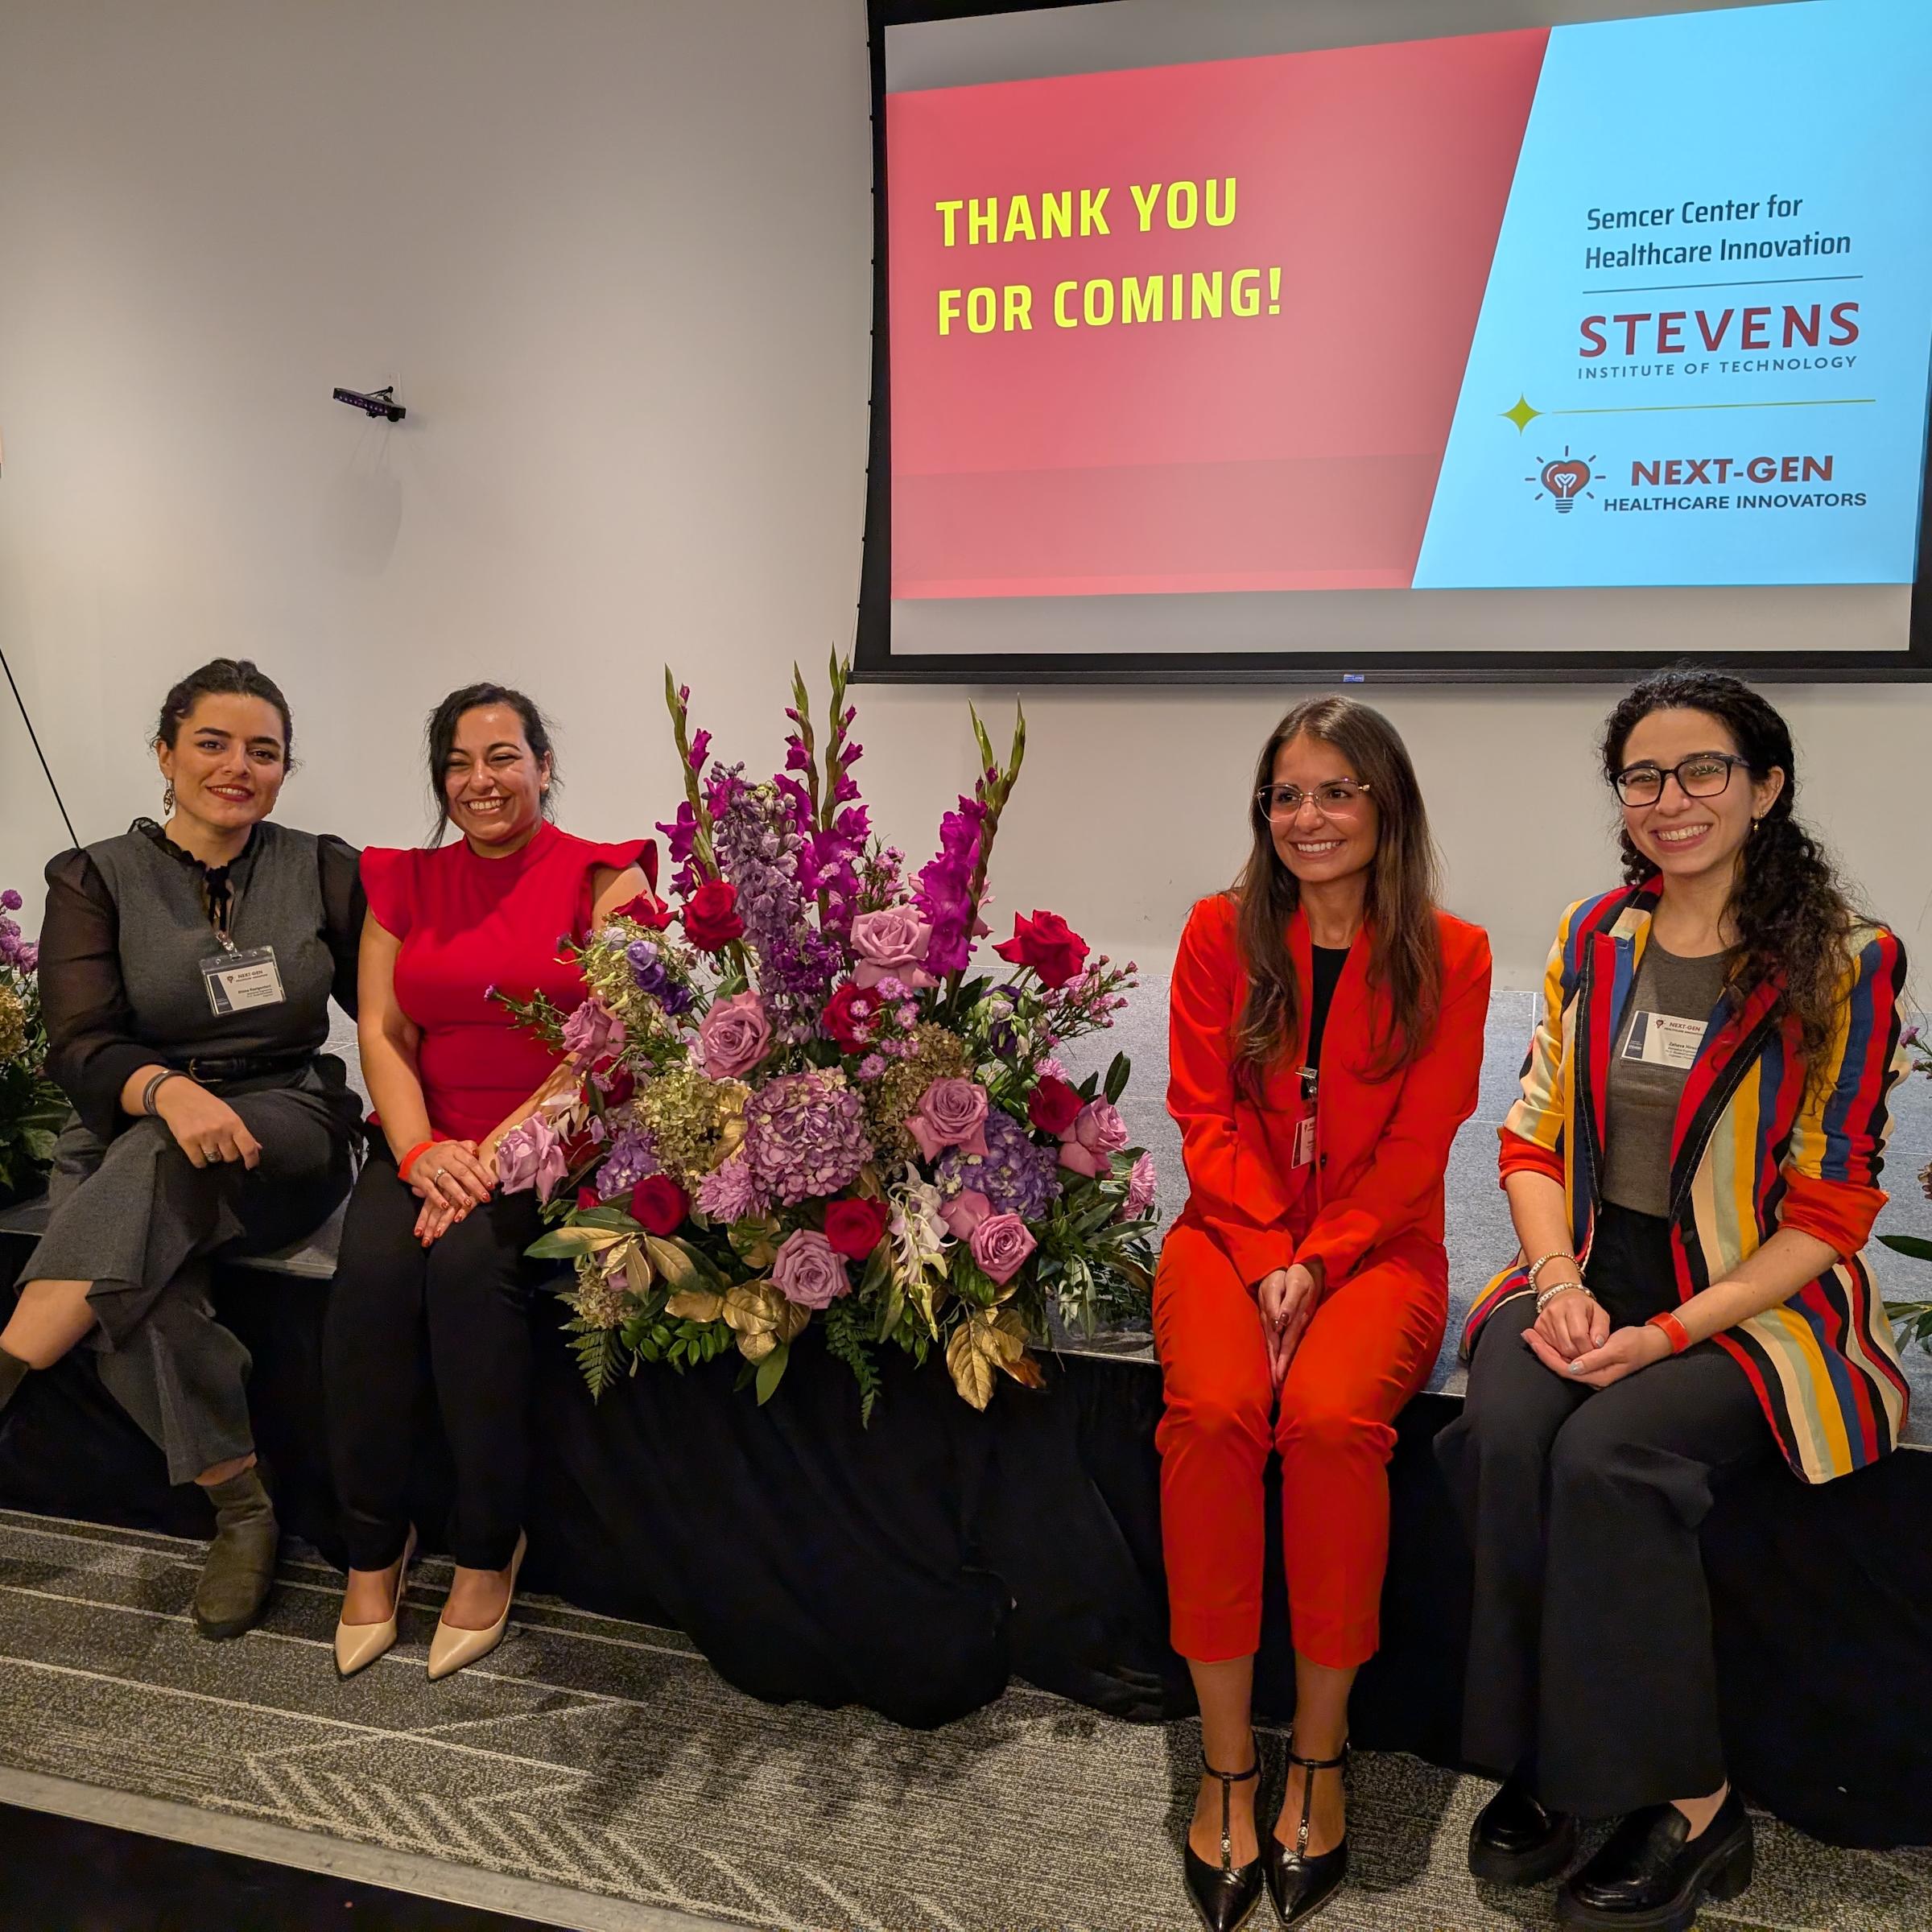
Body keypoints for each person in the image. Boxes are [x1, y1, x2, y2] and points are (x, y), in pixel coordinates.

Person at [1437, 668, 1912, 1932]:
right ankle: (1553, 1755)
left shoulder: (1847, 960)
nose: (1671, 799)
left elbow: (1832, 1205)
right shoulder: (1598, 934)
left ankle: (1700, 1812)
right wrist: (1559, 1284)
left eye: (1704, 770)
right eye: (1643, 776)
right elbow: (1531, 1137)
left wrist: (1668, 1333)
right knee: (1502, 1428)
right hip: (1596, 1265)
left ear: (1766, 787)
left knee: (1609, 1455)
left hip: (1759, 1295)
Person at [1156, 697, 1492, 1930]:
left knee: (1339, 1421)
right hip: (1226, 1239)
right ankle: (1228, 1759)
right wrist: (1263, 1255)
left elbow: (1422, 1144)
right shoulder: (1216, 931)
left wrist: (1326, 1254)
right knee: (1214, 1412)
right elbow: (1201, 1115)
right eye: (1287, 795)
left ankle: (1320, 1755)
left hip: (1381, 1249)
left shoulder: (1453, 953)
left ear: (1387, 803)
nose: (1309, 817)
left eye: (1338, 790)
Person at [0, 659, 362, 1639]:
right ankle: (243, 1509)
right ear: (165, 754)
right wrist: (164, 1090)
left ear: (285, 770)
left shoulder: (322, 868)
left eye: (264, 750)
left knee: (164, 1164)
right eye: (212, 742)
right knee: (143, 1280)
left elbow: (397, 1015)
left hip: (282, 1120)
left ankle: (8, 1359)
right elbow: (78, 1043)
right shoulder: (94, 878)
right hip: (130, 1121)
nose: (237, 766)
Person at [324, 683, 653, 1682]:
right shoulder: (399, 881)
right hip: (429, 1142)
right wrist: (425, 1156)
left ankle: (486, 1545)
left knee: (469, 1276)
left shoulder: (608, 879)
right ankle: (374, 1550)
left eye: (503, 757)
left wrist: (496, 1157)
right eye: (460, 764)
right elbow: (383, 1030)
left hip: (551, 1143)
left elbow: (612, 1042)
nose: (481, 781)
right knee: (372, 1278)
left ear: (543, 766)